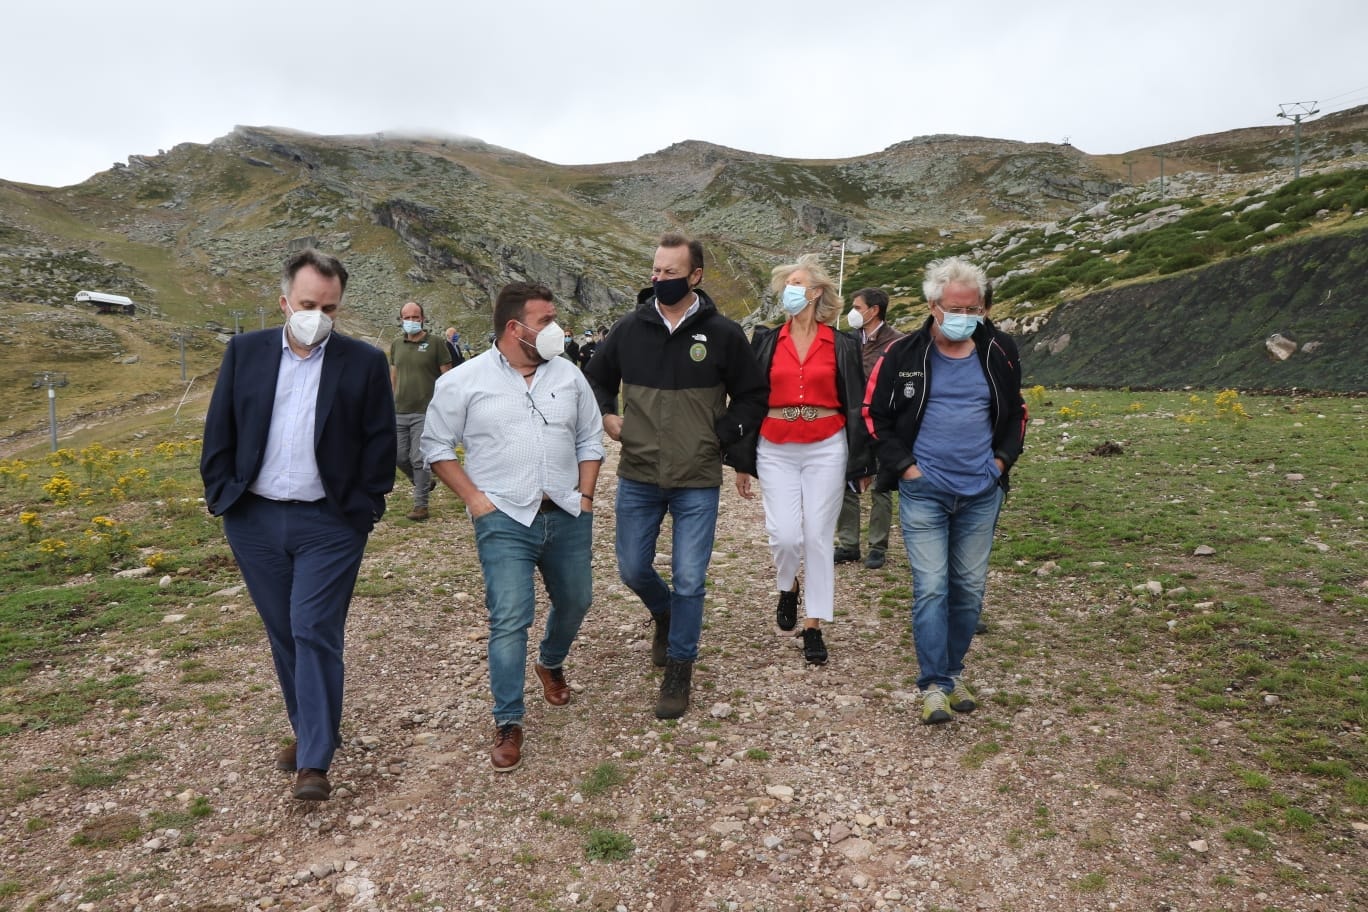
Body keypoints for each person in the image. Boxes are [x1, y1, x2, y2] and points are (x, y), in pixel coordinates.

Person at [200, 248, 396, 799]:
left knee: (313, 628)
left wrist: (366, 504)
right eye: (309, 303)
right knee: (284, 633)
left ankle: (314, 759)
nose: (318, 315)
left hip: (330, 524)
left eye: (329, 307)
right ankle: (311, 727)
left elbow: (381, 441)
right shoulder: (245, 352)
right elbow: (221, 429)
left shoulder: (363, 361)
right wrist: (223, 496)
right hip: (254, 519)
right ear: (285, 301)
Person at [583, 232, 768, 719]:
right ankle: (663, 613)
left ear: (695, 276)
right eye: (656, 270)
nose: (659, 278)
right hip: (639, 473)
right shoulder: (629, 329)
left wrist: (723, 433)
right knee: (631, 569)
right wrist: (605, 415)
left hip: (697, 477)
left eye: (669, 272)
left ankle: (680, 666)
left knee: (690, 578)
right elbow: (595, 379)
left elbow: (754, 394)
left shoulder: (724, 334)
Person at [422, 282, 603, 772]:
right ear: (514, 328)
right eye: (545, 321)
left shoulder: (569, 376)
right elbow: (435, 445)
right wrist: (476, 502)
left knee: (577, 600)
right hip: (503, 518)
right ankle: (508, 720)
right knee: (509, 617)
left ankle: (549, 661)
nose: (556, 330)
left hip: (566, 513)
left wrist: (585, 498)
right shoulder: (464, 381)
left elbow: (590, 438)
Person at [864, 257, 1025, 724]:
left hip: (981, 491)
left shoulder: (1000, 350)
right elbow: (876, 415)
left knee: (969, 590)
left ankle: (954, 673)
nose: (966, 316)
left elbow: (1016, 414)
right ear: (933, 305)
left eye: (973, 308)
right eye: (956, 307)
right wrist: (907, 470)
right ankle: (934, 684)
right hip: (925, 491)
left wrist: (1000, 463)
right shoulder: (905, 354)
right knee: (932, 587)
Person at [729, 255, 871, 665]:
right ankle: (787, 584)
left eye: (797, 283)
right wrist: (741, 460)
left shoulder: (842, 344)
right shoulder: (767, 340)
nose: (790, 290)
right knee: (785, 535)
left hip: (827, 445)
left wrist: (862, 464)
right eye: (786, 284)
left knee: (818, 538)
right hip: (775, 445)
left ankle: (813, 625)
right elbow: (748, 399)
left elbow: (858, 404)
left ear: (816, 292)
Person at [834, 288, 905, 569]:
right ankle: (848, 544)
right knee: (845, 481)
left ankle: (878, 546)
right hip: (850, 421)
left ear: (874, 310)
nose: (852, 312)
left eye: (857, 306)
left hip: (881, 421)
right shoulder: (849, 340)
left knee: (880, 485)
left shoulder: (897, 342)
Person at [391, 302, 453, 521]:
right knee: (398, 456)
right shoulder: (397, 344)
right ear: (400, 320)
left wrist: (445, 405)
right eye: (406, 317)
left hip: (425, 410)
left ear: (423, 319)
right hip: (399, 410)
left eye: (415, 317)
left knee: (418, 458)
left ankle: (421, 506)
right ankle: (423, 482)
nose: (411, 321)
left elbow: (448, 376)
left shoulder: (436, 343)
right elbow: (395, 374)